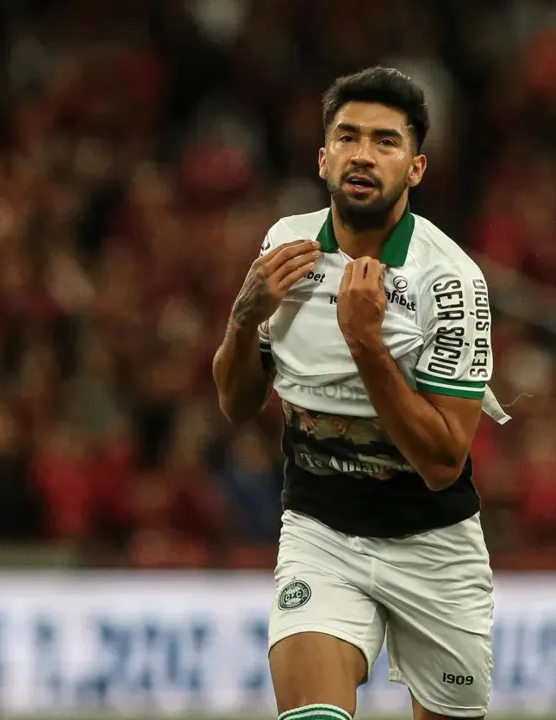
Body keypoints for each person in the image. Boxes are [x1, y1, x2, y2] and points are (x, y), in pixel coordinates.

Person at [212, 66, 508, 720]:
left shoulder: (451, 283)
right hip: (321, 532)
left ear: (416, 168)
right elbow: (235, 405)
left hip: (431, 547)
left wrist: (366, 346)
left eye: (384, 142)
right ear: (323, 158)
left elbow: (441, 462)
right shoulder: (284, 244)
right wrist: (241, 318)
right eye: (347, 138)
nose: (363, 155)